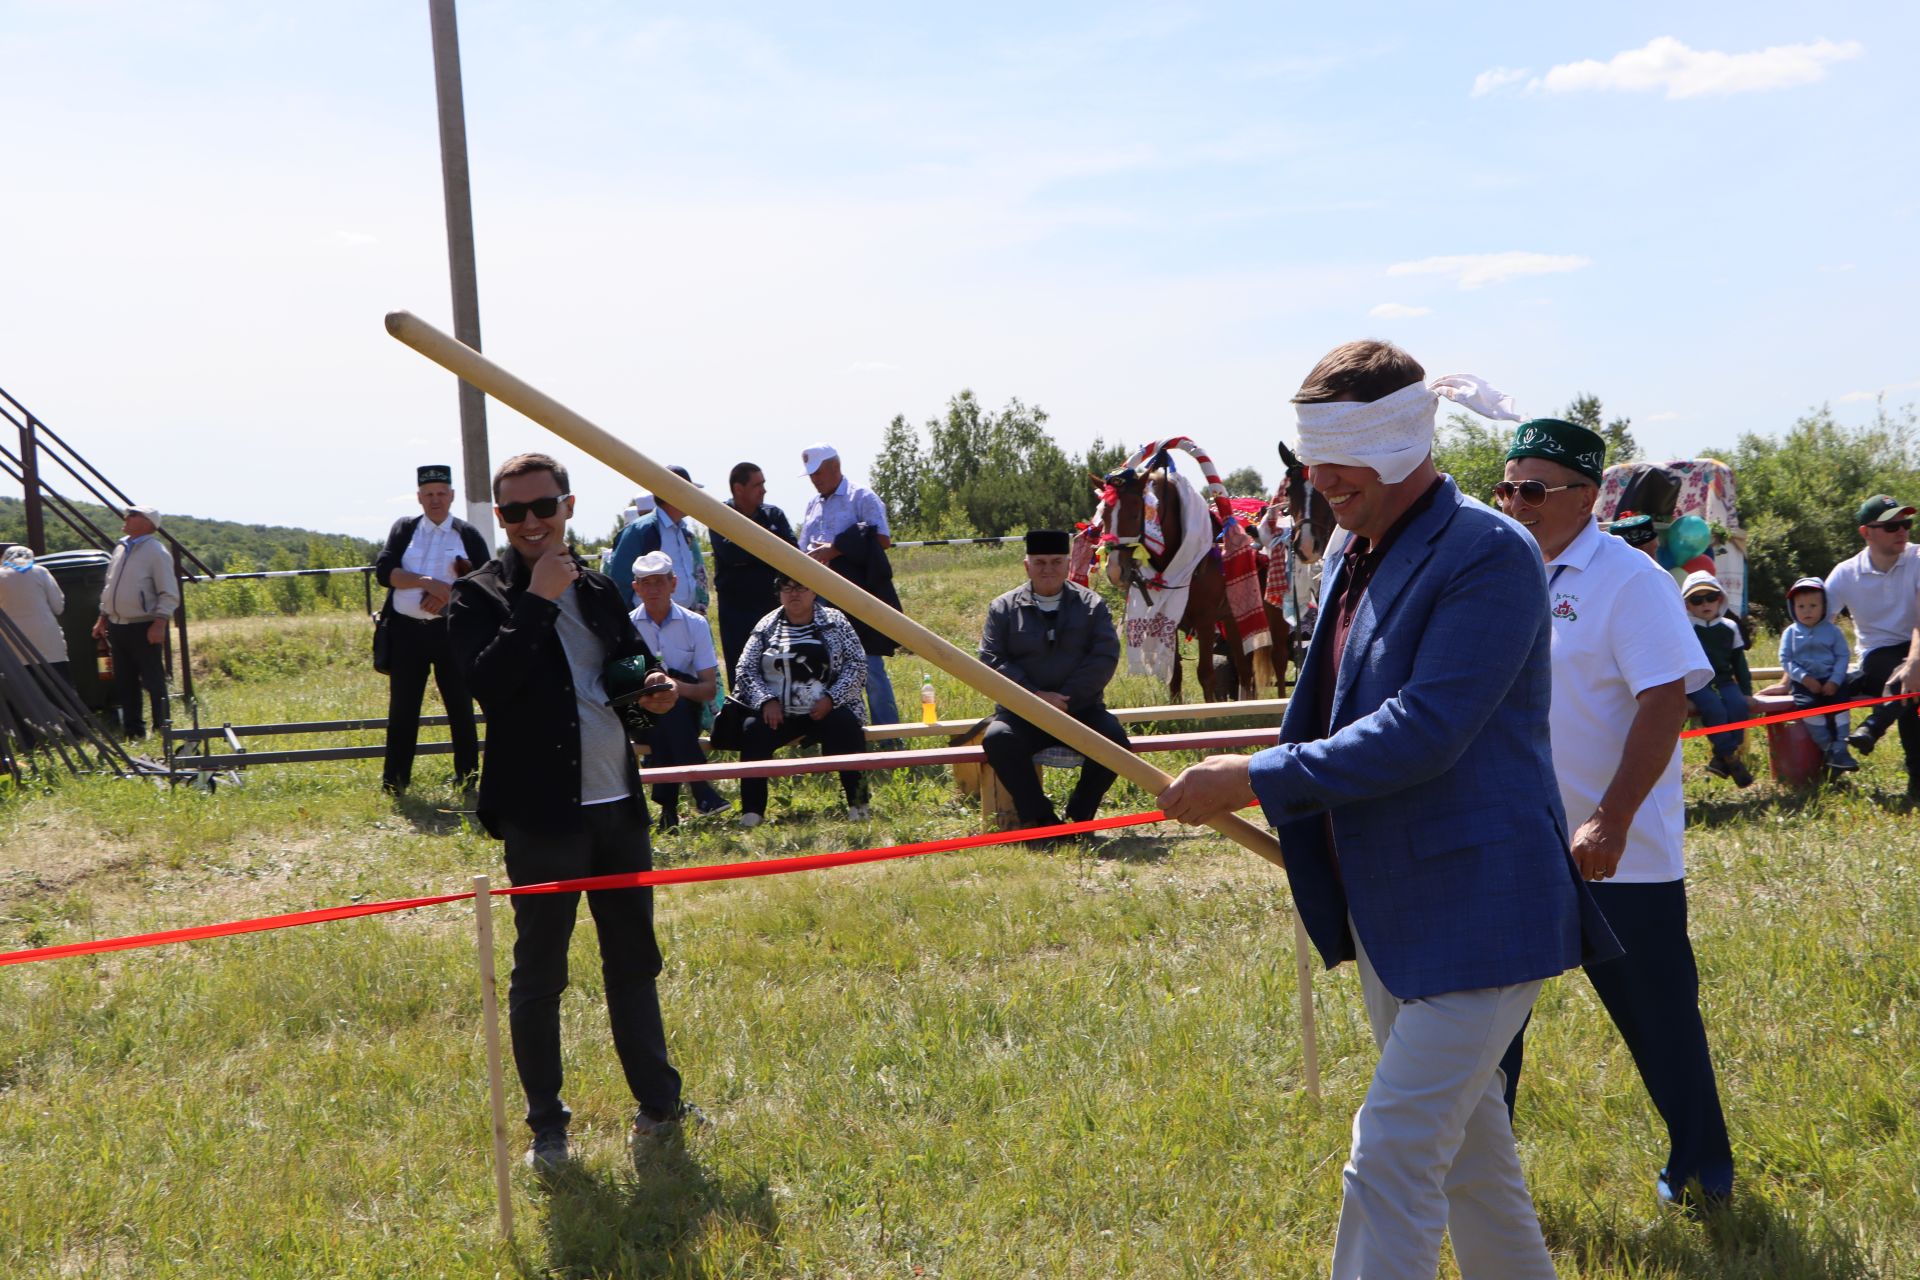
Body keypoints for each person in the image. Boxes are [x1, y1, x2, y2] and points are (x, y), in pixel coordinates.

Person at [1161, 342, 1615, 1280]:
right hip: (1391, 904)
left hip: (1485, 907)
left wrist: (1252, 775)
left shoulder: (1489, 552)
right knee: (1473, 1165)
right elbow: (1329, 708)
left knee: (1393, 1154)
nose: (1318, 478)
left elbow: (1426, 728)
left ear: (1407, 441)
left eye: (1342, 454)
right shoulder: (1351, 553)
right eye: (1310, 451)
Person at [1492, 417, 1735, 1213]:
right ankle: (1481, 1182)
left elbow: (1666, 701)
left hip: (1615, 851)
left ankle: (1701, 1171)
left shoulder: (1630, 580)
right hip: (1513, 844)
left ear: (1587, 496)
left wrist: (1612, 818)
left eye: (1533, 489)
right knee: (1484, 1031)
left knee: (1659, 1018)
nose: (1515, 503)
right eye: (1506, 488)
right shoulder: (1498, 574)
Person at [447, 451, 697, 1171]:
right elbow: (488, 687)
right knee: (541, 974)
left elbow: (620, 681)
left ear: (569, 506)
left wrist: (649, 697)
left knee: (633, 962)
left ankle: (659, 1104)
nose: (531, 522)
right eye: (515, 512)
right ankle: (548, 1128)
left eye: (543, 507)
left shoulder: (599, 590)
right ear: (500, 519)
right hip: (541, 814)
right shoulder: (480, 597)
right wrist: (537, 601)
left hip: (617, 807)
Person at [977, 529, 1131, 834]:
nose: (1048, 569)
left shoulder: (1092, 605)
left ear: (1068, 562)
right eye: (1040, 562)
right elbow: (992, 660)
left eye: (1056, 561)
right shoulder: (1003, 609)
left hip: (1080, 709)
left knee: (1116, 741)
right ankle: (1041, 821)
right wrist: (1035, 697)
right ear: (1026, 565)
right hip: (1022, 712)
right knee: (997, 739)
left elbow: (1104, 657)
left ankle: (1080, 815)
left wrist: (1066, 698)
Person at [372, 464, 491, 793]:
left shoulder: (467, 534)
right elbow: (385, 571)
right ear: (419, 498)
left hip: (452, 632)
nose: (435, 500)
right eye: (429, 495)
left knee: (460, 707)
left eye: (441, 494)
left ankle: (467, 777)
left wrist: (448, 597)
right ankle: (395, 781)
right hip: (407, 632)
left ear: (452, 496)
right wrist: (426, 582)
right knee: (403, 709)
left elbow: (486, 581)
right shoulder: (405, 529)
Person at [733, 573, 870, 828]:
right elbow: (745, 669)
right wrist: (766, 701)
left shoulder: (835, 621)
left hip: (828, 709)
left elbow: (857, 665)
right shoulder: (766, 625)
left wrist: (832, 698)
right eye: (787, 588)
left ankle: (859, 804)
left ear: (814, 591)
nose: (794, 593)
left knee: (847, 726)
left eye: (801, 587)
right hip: (780, 713)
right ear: (779, 593)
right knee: (753, 731)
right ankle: (752, 812)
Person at [797, 443, 902, 730]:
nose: (815, 479)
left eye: (818, 472)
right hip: (819, 597)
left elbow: (881, 539)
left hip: (856, 594)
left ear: (834, 467)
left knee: (869, 666)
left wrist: (837, 550)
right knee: (824, 668)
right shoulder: (812, 504)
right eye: (811, 474)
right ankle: (839, 732)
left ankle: (889, 735)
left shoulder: (862, 496)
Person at [1825, 495, 1920, 797]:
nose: (1902, 531)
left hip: (1918, 649)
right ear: (1866, 532)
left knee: (1912, 682)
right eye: (1892, 526)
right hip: (1878, 654)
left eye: (1906, 523)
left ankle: (1874, 726)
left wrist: (1914, 663)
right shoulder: (1845, 573)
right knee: (1907, 683)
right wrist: (1791, 677)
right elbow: (1812, 623)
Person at [628, 550, 730, 828]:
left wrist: (674, 688)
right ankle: (701, 791)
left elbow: (709, 689)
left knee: (671, 711)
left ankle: (668, 811)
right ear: (635, 588)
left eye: (659, 581)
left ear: (673, 583)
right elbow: (622, 690)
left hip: (684, 711)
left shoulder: (695, 624)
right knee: (666, 711)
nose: (652, 589)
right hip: (641, 714)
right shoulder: (626, 626)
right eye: (645, 583)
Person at [92, 504, 177, 739]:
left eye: (133, 515)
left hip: (144, 625)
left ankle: (162, 727)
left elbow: (168, 592)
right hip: (118, 626)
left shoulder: (156, 552)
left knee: (153, 680)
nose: (126, 518)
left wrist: (159, 623)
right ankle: (133, 730)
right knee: (125, 681)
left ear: (148, 523)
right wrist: (103, 618)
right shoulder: (120, 548)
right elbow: (109, 587)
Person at [709, 461, 797, 683]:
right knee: (741, 672)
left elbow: (792, 554)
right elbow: (732, 555)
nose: (764, 490)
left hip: (771, 606)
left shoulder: (774, 515)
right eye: (757, 485)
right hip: (735, 612)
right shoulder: (719, 515)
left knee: (779, 668)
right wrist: (770, 549)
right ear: (739, 489)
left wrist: (750, 548)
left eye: (763, 484)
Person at [1680, 569, 1756, 787]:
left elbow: (1739, 663)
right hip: (1697, 682)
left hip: (1724, 680)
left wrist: (1747, 692)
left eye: (1711, 597)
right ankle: (1731, 758)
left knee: (1739, 706)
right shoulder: (1686, 628)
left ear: (1720, 598)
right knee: (1714, 709)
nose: (1705, 603)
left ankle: (1723, 758)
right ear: (1687, 605)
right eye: (1697, 599)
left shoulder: (1730, 627)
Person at [1780, 576, 1860, 771]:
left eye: (1813, 605)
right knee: (1809, 709)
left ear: (1824, 606)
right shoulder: (1790, 633)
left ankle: (1842, 747)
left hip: (1831, 678)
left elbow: (1842, 656)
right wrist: (1804, 678)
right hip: (1804, 682)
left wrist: (1835, 680)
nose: (1807, 611)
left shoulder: (1832, 631)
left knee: (1841, 705)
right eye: (1801, 606)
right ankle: (1829, 748)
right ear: (1793, 608)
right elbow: (1786, 659)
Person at [608, 466, 710, 613]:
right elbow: (620, 582)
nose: (694, 498)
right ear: (675, 493)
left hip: (683, 621)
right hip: (647, 626)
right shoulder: (640, 531)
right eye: (689, 491)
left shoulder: (683, 533)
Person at [0, 545, 72, 690]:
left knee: (22, 695)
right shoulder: (41, 572)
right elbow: (58, 607)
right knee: (59, 691)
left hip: (13, 645)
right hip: (48, 643)